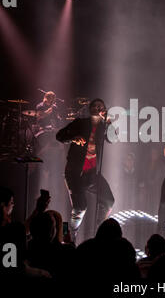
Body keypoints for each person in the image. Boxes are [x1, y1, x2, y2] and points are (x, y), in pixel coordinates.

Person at [56, 98, 115, 242]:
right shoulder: (80, 123)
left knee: (109, 201)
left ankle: (99, 233)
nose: (97, 108)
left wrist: (109, 123)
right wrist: (73, 138)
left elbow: (113, 139)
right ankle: (71, 234)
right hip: (75, 173)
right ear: (90, 109)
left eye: (100, 106)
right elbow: (59, 135)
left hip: (92, 174)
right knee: (80, 207)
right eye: (94, 106)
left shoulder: (103, 127)